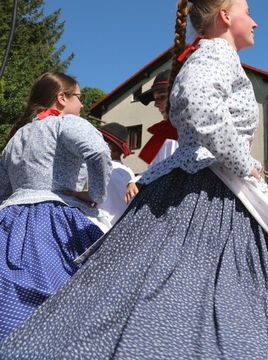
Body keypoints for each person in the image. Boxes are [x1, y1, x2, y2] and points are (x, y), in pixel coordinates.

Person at [0, 0, 268, 358]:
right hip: (207, 185)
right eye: (247, 12)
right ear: (225, 16)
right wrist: (244, 163)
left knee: (192, 286)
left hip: (209, 181)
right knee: (185, 288)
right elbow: (201, 110)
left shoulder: (214, 55)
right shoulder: (213, 54)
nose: (255, 22)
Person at [0, 72, 112, 341]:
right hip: (53, 218)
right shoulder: (66, 124)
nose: (83, 105)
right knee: (68, 297)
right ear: (62, 98)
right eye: (79, 97)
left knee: (10, 297)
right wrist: (95, 194)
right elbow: (98, 151)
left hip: (9, 219)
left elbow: (3, 186)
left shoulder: (16, 137)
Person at [97, 122, 138, 225]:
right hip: (121, 226)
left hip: (104, 225)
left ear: (108, 145)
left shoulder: (106, 169)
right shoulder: (127, 170)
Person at [137, 69, 179, 166]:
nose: (156, 104)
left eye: (162, 96)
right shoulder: (163, 135)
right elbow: (155, 170)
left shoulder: (195, 131)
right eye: (155, 99)